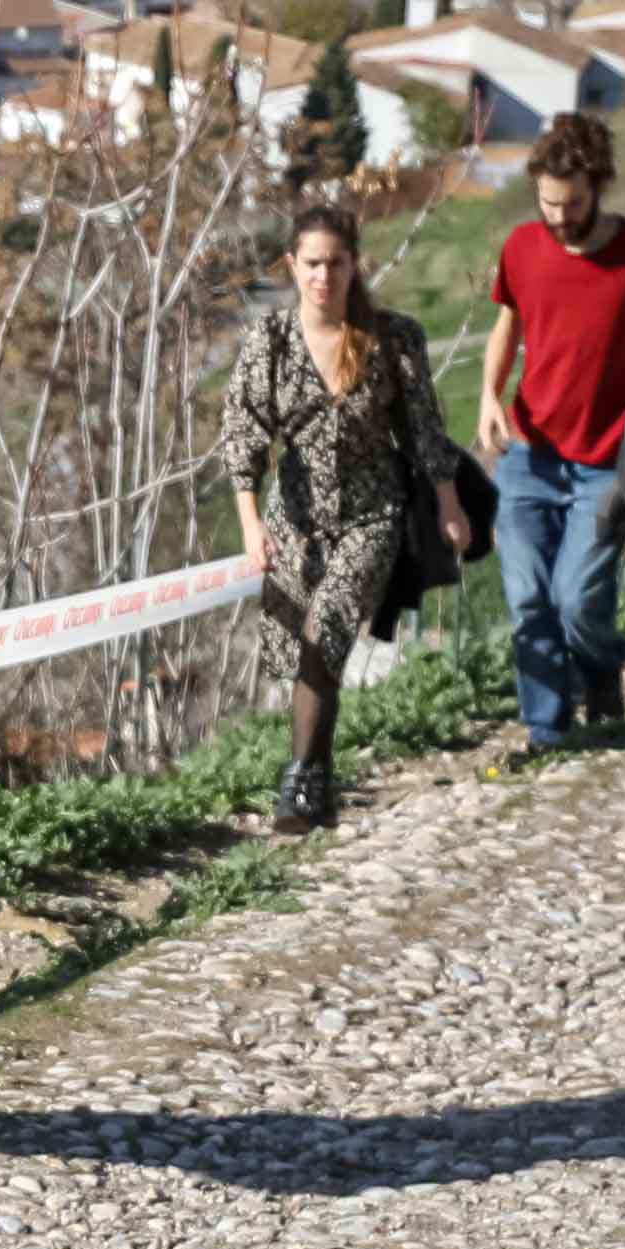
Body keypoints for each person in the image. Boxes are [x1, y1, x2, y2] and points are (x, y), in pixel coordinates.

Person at [472, 108, 625, 764]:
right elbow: (507, 324)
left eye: (571, 203)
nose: (557, 216)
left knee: (577, 599)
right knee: (528, 598)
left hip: (609, 464)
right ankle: (548, 732)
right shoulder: (522, 247)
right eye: (547, 202)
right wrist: (489, 394)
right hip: (528, 455)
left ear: (599, 186)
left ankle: (601, 671)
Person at [226, 202, 475, 832]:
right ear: (292, 265)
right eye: (312, 264)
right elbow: (244, 434)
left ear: (354, 265)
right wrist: (251, 523)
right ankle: (320, 783)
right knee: (306, 653)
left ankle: (297, 782)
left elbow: (424, 429)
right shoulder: (269, 342)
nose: (323, 276)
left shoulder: (393, 338)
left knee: (327, 625)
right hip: (296, 518)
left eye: (336, 263)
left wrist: (448, 503)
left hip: (372, 513)